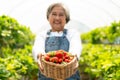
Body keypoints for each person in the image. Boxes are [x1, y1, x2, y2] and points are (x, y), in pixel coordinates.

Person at [32, 2, 82, 80]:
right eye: (54, 14)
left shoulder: (72, 33)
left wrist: (74, 58)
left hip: (69, 75)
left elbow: (76, 46)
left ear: (66, 19)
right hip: (47, 75)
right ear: (48, 17)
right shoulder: (42, 35)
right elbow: (38, 47)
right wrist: (40, 55)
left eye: (61, 15)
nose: (57, 18)